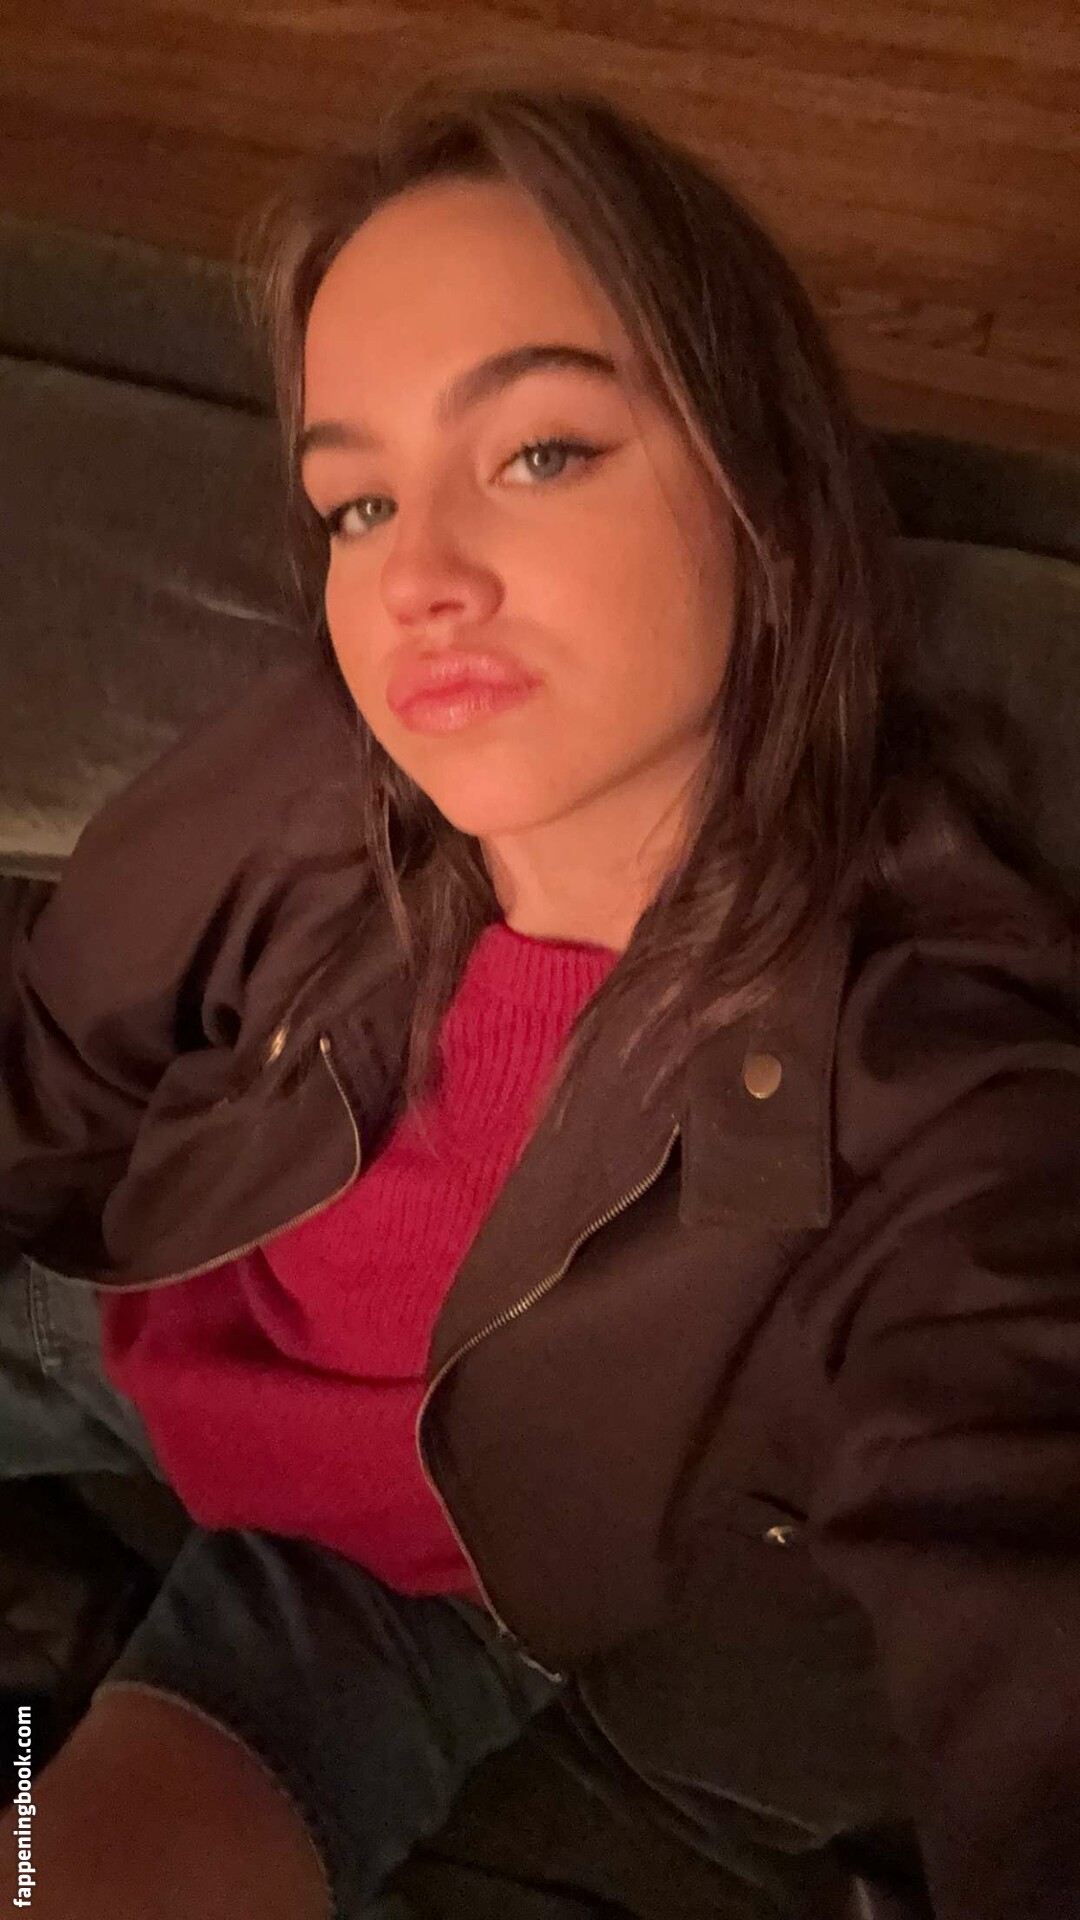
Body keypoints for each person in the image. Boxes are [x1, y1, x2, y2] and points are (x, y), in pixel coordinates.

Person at [2, 68, 1079, 1920]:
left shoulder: (933, 1082)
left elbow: (1011, 1483)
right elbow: (52, 1072)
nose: (414, 579)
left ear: (763, 483)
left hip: (414, 1596)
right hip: (130, 1323)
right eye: (356, 502)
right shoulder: (305, 775)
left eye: (541, 454)